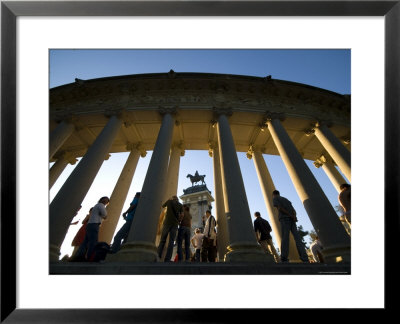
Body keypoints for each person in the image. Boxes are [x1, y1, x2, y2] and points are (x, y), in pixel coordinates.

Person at [272, 190, 309, 263]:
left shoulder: (275, 198)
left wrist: (289, 215)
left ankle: (284, 258)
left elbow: (280, 208)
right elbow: (294, 210)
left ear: (274, 194)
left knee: (285, 238)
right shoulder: (286, 199)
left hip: (285, 218)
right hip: (292, 219)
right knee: (297, 238)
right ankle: (305, 258)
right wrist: (294, 216)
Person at [72, 196, 110, 261]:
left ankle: (78, 256)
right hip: (94, 224)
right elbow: (105, 215)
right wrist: (105, 216)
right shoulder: (101, 205)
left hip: (89, 225)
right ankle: (90, 257)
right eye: (105, 200)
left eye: (107, 201)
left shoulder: (96, 205)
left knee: (85, 242)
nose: (106, 202)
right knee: (93, 241)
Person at [157, 195, 183, 262]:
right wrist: (179, 221)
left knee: (162, 240)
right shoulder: (180, 205)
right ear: (177, 199)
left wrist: (169, 199)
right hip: (174, 224)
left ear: (173, 198)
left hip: (167, 223)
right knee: (171, 242)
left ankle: (158, 255)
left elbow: (163, 206)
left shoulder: (169, 202)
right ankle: (167, 258)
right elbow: (182, 215)